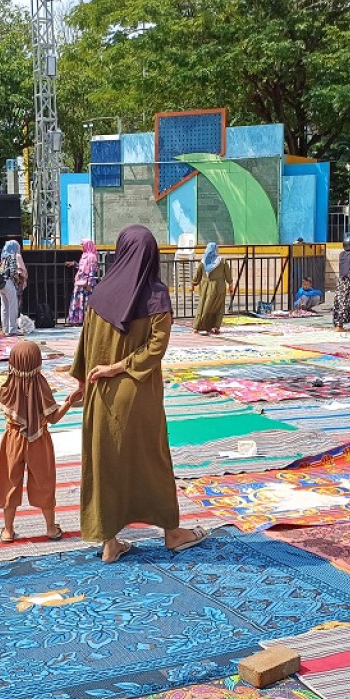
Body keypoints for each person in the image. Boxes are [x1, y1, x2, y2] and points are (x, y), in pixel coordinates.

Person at [69, 225, 209, 563]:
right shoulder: (156, 296)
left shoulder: (100, 294)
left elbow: (85, 347)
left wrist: (84, 384)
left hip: (101, 395)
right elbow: (155, 349)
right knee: (152, 461)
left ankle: (110, 541)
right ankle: (172, 533)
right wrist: (120, 367)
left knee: (106, 463)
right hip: (139, 393)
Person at [0, 340, 83, 543]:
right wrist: (69, 401)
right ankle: (51, 528)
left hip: (13, 438)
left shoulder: (7, 388)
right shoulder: (42, 387)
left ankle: (8, 530)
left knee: (10, 482)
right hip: (39, 438)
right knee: (44, 482)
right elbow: (53, 418)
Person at [190, 241, 235, 335]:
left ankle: (198, 326)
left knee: (203, 306)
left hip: (205, 287)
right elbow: (228, 276)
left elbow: (197, 277)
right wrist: (231, 286)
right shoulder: (222, 261)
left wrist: (193, 285)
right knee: (219, 306)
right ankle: (215, 326)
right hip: (219, 287)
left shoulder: (203, 262)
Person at [65, 239, 99, 326]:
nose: (81, 246)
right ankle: (76, 320)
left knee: (86, 302)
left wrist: (89, 283)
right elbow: (82, 268)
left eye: (82, 244)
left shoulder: (92, 257)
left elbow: (92, 270)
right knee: (78, 301)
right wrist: (74, 264)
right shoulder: (84, 256)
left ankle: (86, 320)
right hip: (80, 282)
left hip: (86, 284)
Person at [0, 239, 24, 335]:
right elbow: (16, 271)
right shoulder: (14, 256)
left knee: (4, 307)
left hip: (1, 283)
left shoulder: (3, 257)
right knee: (13, 306)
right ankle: (13, 329)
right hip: (9, 282)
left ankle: (5, 329)